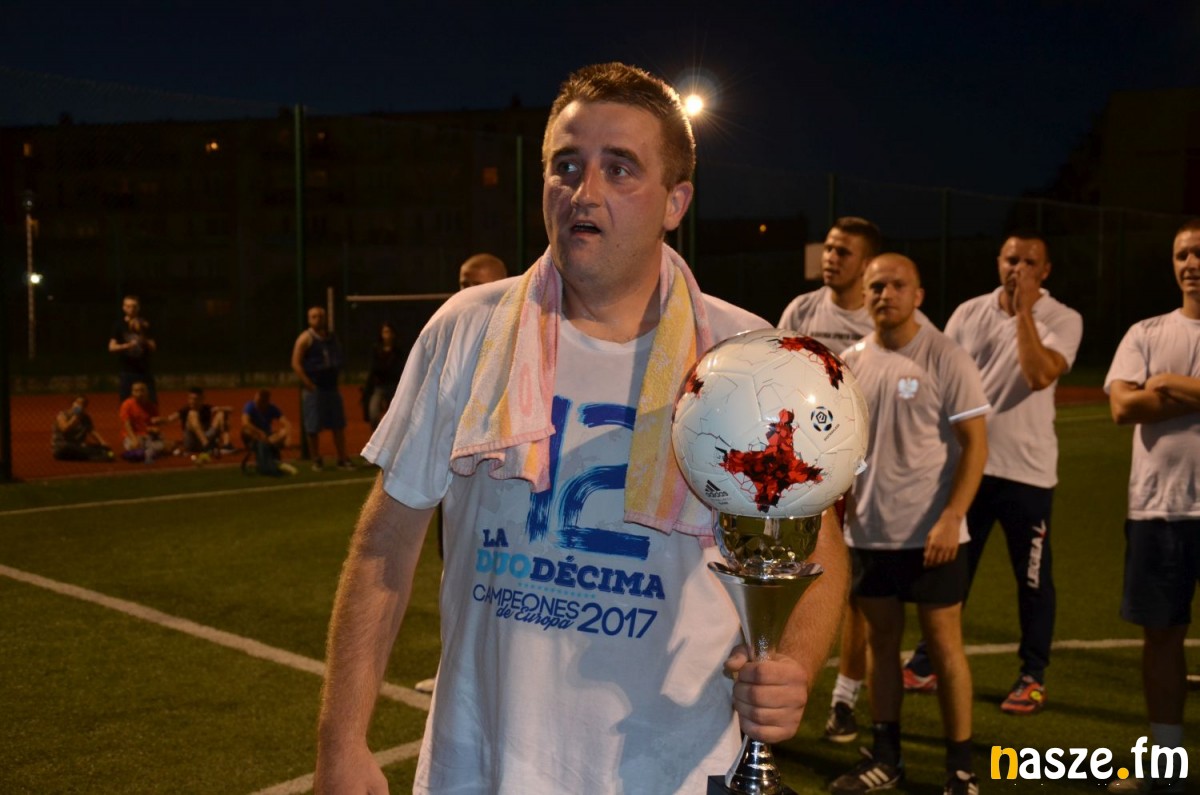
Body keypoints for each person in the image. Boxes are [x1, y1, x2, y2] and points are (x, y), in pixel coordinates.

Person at [315, 62, 848, 794]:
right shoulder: (467, 329)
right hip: (480, 768)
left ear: (675, 202)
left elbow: (820, 549)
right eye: (565, 166)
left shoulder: (744, 357)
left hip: (672, 772)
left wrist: (794, 664)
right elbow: (386, 544)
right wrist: (341, 739)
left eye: (619, 168)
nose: (584, 192)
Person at [901, 232, 1082, 714]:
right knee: (951, 570)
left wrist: (1024, 313)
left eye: (1029, 262)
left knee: (1033, 580)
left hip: (1028, 473)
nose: (1017, 268)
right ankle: (926, 662)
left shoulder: (1063, 318)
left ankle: (1032, 676)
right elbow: (941, 380)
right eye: (1011, 259)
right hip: (968, 468)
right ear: (998, 261)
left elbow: (1038, 374)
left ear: (1045, 271)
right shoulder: (968, 313)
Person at [831, 253, 989, 795]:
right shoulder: (851, 362)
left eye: (897, 285)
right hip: (871, 531)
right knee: (881, 645)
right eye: (876, 286)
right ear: (865, 294)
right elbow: (843, 446)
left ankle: (960, 769)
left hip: (933, 536)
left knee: (945, 647)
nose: (885, 294)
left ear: (918, 295)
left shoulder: (946, 355)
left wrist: (952, 516)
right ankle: (886, 758)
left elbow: (975, 446)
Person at [1103, 219, 1200, 794]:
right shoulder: (1145, 331)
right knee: (1161, 637)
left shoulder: (1153, 354)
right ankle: (1166, 765)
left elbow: (1143, 398)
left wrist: (1165, 382)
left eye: (1199, 253)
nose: (1191, 263)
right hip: (1159, 510)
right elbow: (1122, 408)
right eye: (1182, 254)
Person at [414, 252, 511, 694]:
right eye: (462, 283)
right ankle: (451, 670)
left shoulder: (520, 342)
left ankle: (492, 674)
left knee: (498, 582)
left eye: (476, 285)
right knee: (453, 571)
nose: (466, 293)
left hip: (501, 488)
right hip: (457, 480)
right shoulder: (453, 337)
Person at [778, 217, 884, 351]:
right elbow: (777, 358)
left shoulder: (883, 317)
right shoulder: (801, 310)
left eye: (842, 253)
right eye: (828, 249)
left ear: (867, 264)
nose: (830, 258)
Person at [291, 305, 354, 471]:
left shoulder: (332, 338)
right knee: (313, 425)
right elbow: (296, 362)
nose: (318, 319)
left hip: (331, 386)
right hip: (315, 387)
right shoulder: (305, 338)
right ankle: (316, 459)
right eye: (314, 316)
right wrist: (308, 383)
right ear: (309, 319)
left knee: (338, 424)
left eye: (320, 316)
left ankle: (342, 458)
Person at [108, 295, 157, 403]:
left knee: (151, 402)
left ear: (138, 308)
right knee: (126, 403)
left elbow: (153, 347)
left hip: (144, 370)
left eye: (134, 306)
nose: (131, 309)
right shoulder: (119, 325)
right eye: (128, 306)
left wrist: (142, 336)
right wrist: (127, 345)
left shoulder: (145, 324)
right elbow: (111, 347)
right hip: (127, 371)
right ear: (123, 308)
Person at [163, 387, 235, 458]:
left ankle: (226, 445)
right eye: (190, 399)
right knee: (192, 414)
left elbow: (231, 409)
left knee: (221, 413)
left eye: (195, 399)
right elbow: (169, 419)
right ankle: (207, 446)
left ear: (201, 399)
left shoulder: (207, 408)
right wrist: (160, 420)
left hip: (206, 437)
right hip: (192, 442)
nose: (192, 401)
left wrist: (219, 408)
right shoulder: (185, 410)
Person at [241, 388, 297, 476]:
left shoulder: (271, 408)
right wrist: (259, 432)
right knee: (247, 430)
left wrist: (288, 437)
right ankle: (269, 457)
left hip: (268, 436)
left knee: (283, 432)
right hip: (254, 435)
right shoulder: (250, 406)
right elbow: (245, 422)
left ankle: (269, 453)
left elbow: (286, 423)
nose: (257, 403)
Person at [363, 321, 406, 430]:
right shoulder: (376, 350)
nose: (387, 335)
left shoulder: (398, 351)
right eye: (385, 332)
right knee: (373, 414)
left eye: (389, 332)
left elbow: (399, 368)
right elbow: (374, 367)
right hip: (379, 387)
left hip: (394, 387)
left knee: (396, 416)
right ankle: (377, 435)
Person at [118, 381, 169, 462]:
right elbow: (127, 424)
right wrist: (134, 439)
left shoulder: (151, 406)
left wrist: (155, 429)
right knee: (135, 446)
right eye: (136, 391)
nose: (139, 393)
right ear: (132, 392)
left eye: (142, 390)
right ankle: (149, 451)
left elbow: (155, 425)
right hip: (134, 436)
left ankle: (148, 450)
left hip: (148, 436)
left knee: (167, 446)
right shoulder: (127, 405)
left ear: (146, 392)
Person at [51, 396, 113, 461]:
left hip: (78, 446)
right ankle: (93, 456)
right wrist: (75, 417)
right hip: (63, 446)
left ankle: (102, 455)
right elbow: (65, 429)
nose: (80, 406)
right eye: (78, 403)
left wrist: (102, 442)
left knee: (104, 449)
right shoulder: (62, 415)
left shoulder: (85, 417)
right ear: (72, 403)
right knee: (83, 449)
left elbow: (92, 431)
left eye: (83, 404)